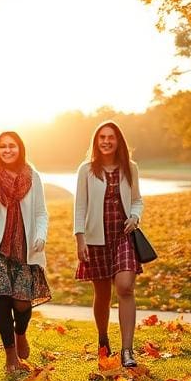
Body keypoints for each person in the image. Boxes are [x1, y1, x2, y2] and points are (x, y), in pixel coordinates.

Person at [0, 131, 51, 375]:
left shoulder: (32, 176)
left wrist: (41, 235)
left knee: (22, 303)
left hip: (25, 248)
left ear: (19, 148)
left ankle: (21, 333)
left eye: (11, 145)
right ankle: (10, 356)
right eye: (2, 146)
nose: (7, 150)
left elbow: (41, 213)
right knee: (2, 300)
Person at [73, 121, 145, 368]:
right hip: (95, 238)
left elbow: (137, 200)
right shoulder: (86, 169)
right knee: (102, 294)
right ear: (96, 141)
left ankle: (127, 350)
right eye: (102, 137)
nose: (106, 141)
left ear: (118, 141)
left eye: (111, 137)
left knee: (125, 287)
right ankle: (103, 338)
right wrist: (79, 238)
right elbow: (80, 206)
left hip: (123, 235)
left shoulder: (130, 168)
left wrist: (135, 217)